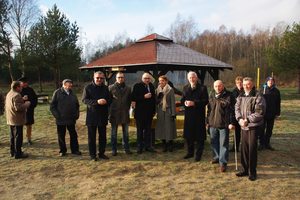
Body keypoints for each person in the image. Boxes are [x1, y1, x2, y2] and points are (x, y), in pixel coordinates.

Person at [235, 77, 266, 181]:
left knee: (252, 149)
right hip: (243, 126)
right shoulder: (241, 96)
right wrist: (239, 119)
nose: (246, 86)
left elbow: (259, 112)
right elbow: (237, 109)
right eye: (244, 85)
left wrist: (247, 120)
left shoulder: (258, 96)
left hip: (253, 126)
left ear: (252, 85)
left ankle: (252, 172)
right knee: (244, 149)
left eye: (248, 84)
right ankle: (244, 169)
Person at [207, 80, 235, 172]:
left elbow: (232, 111)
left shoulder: (229, 96)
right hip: (212, 124)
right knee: (213, 142)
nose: (217, 88)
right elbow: (209, 110)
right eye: (215, 86)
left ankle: (223, 163)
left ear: (223, 86)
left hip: (223, 125)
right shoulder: (211, 95)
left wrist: (231, 123)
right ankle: (216, 157)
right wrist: (207, 121)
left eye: (219, 86)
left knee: (223, 144)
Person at [82, 71, 111, 161]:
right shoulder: (88, 87)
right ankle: (93, 154)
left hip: (102, 115)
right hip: (92, 115)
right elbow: (84, 100)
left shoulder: (105, 88)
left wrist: (106, 101)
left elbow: (110, 99)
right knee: (92, 137)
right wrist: (96, 102)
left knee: (102, 136)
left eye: (101, 78)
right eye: (97, 78)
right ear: (94, 78)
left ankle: (101, 153)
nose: (99, 80)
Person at [181, 71, 208, 162]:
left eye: (193, 77)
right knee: (189, 135)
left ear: (196, 78)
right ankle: (190, 152)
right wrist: (185, 103)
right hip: (189, 115)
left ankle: (199, 154)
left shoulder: (203, 88)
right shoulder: (185, 88)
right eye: (190, 78)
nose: (191, 79)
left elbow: (205, 101)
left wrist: (194, 103)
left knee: (199, 136)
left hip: (198, 115)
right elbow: (182, 99)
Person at [50, 79, 82, 157]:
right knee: (61, 135)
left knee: (73, 135)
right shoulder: (57, 93)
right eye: (69, 83)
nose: (71, 85)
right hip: (61, 119)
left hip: (71, 119)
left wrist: (76, 114)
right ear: (64, 84)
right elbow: (52, 106)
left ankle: (75, 150)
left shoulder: (73, 94)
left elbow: (77, 105)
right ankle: (62, 150)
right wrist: (57, 116)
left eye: (71, 83)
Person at [131, 72, 156, 153]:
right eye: (145, 78)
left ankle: (148, 146)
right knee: (140, 131)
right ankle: (140, 146)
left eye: (148, 78)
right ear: (142, 79)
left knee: (148, 131)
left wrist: (153, 111)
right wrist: (143, 97)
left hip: (149, 113)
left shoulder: (151, 86)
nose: (147, 80)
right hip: (140, 113)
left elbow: (153, 100)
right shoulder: (137, 86)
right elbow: (133, 97)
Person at [108, 72, 132, 156]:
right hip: (114, 113)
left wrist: (127, 109)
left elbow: (129, 100)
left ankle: (126, 148)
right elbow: (109, 102)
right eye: (118, 77)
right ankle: (114, 149)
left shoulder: (128, 88)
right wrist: (109, 113)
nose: (120, 79)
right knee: (114, 133)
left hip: (125, 113)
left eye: (121, 77)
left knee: (125, 132)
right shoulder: (111, 88)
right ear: (116, 78)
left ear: (124, 78)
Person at [6, 81, 31, 159]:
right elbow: (18, 108)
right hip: (17, 119)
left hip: (11, 118)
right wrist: (26, 104)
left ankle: (12, 151)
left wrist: (21, 100)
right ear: (17, 87)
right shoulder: (17, 95)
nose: (22, 87)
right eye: (20, 86)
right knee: (18, 136)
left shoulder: (10, 93)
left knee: (12, 136)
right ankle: (18, 153)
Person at [155, 75, 177, 152]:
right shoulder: (157, 90)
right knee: (162, 128)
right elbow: (156, 102)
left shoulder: (170, 90)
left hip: (168, 110)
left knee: (169, 128)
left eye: (163, 81)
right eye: (160, 81)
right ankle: (164, 145)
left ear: (166, 81)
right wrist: (159, 97)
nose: (161, 82)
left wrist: (173, 113)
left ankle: (171, 145)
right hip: (161, 110)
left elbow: (172, 102)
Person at [258, 76, 281, 151]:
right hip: (263, 113)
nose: (270, 82)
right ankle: (261, 144)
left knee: (269, 129)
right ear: (266, 82)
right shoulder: (261, 90)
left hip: (272, 113)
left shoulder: (276, 91)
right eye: (269, 81)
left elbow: (278, 103)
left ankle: (267, 143)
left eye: (272, 81)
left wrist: (277, 112)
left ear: (274, 82)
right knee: (261, 129)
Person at [18, 77, 37, 145]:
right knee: (20, 126)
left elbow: (35, 99)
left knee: (29, 125)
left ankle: (29, 138)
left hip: (29, 110)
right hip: (20, 111)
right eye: (23, 83)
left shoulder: (30, 90)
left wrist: (32, 106)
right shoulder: (18, 91)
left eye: (26, 82)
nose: (25, 84)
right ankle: (19, 139)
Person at [229, 76, 244, 152]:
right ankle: (235, 146)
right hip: (236, 114)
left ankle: (244, 147)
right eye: (238, 82)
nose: (239, 84)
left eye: (241, 82)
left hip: (244, 114)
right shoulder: (233, 92)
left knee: (244, 132)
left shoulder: (246, 91)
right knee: (236, 132)